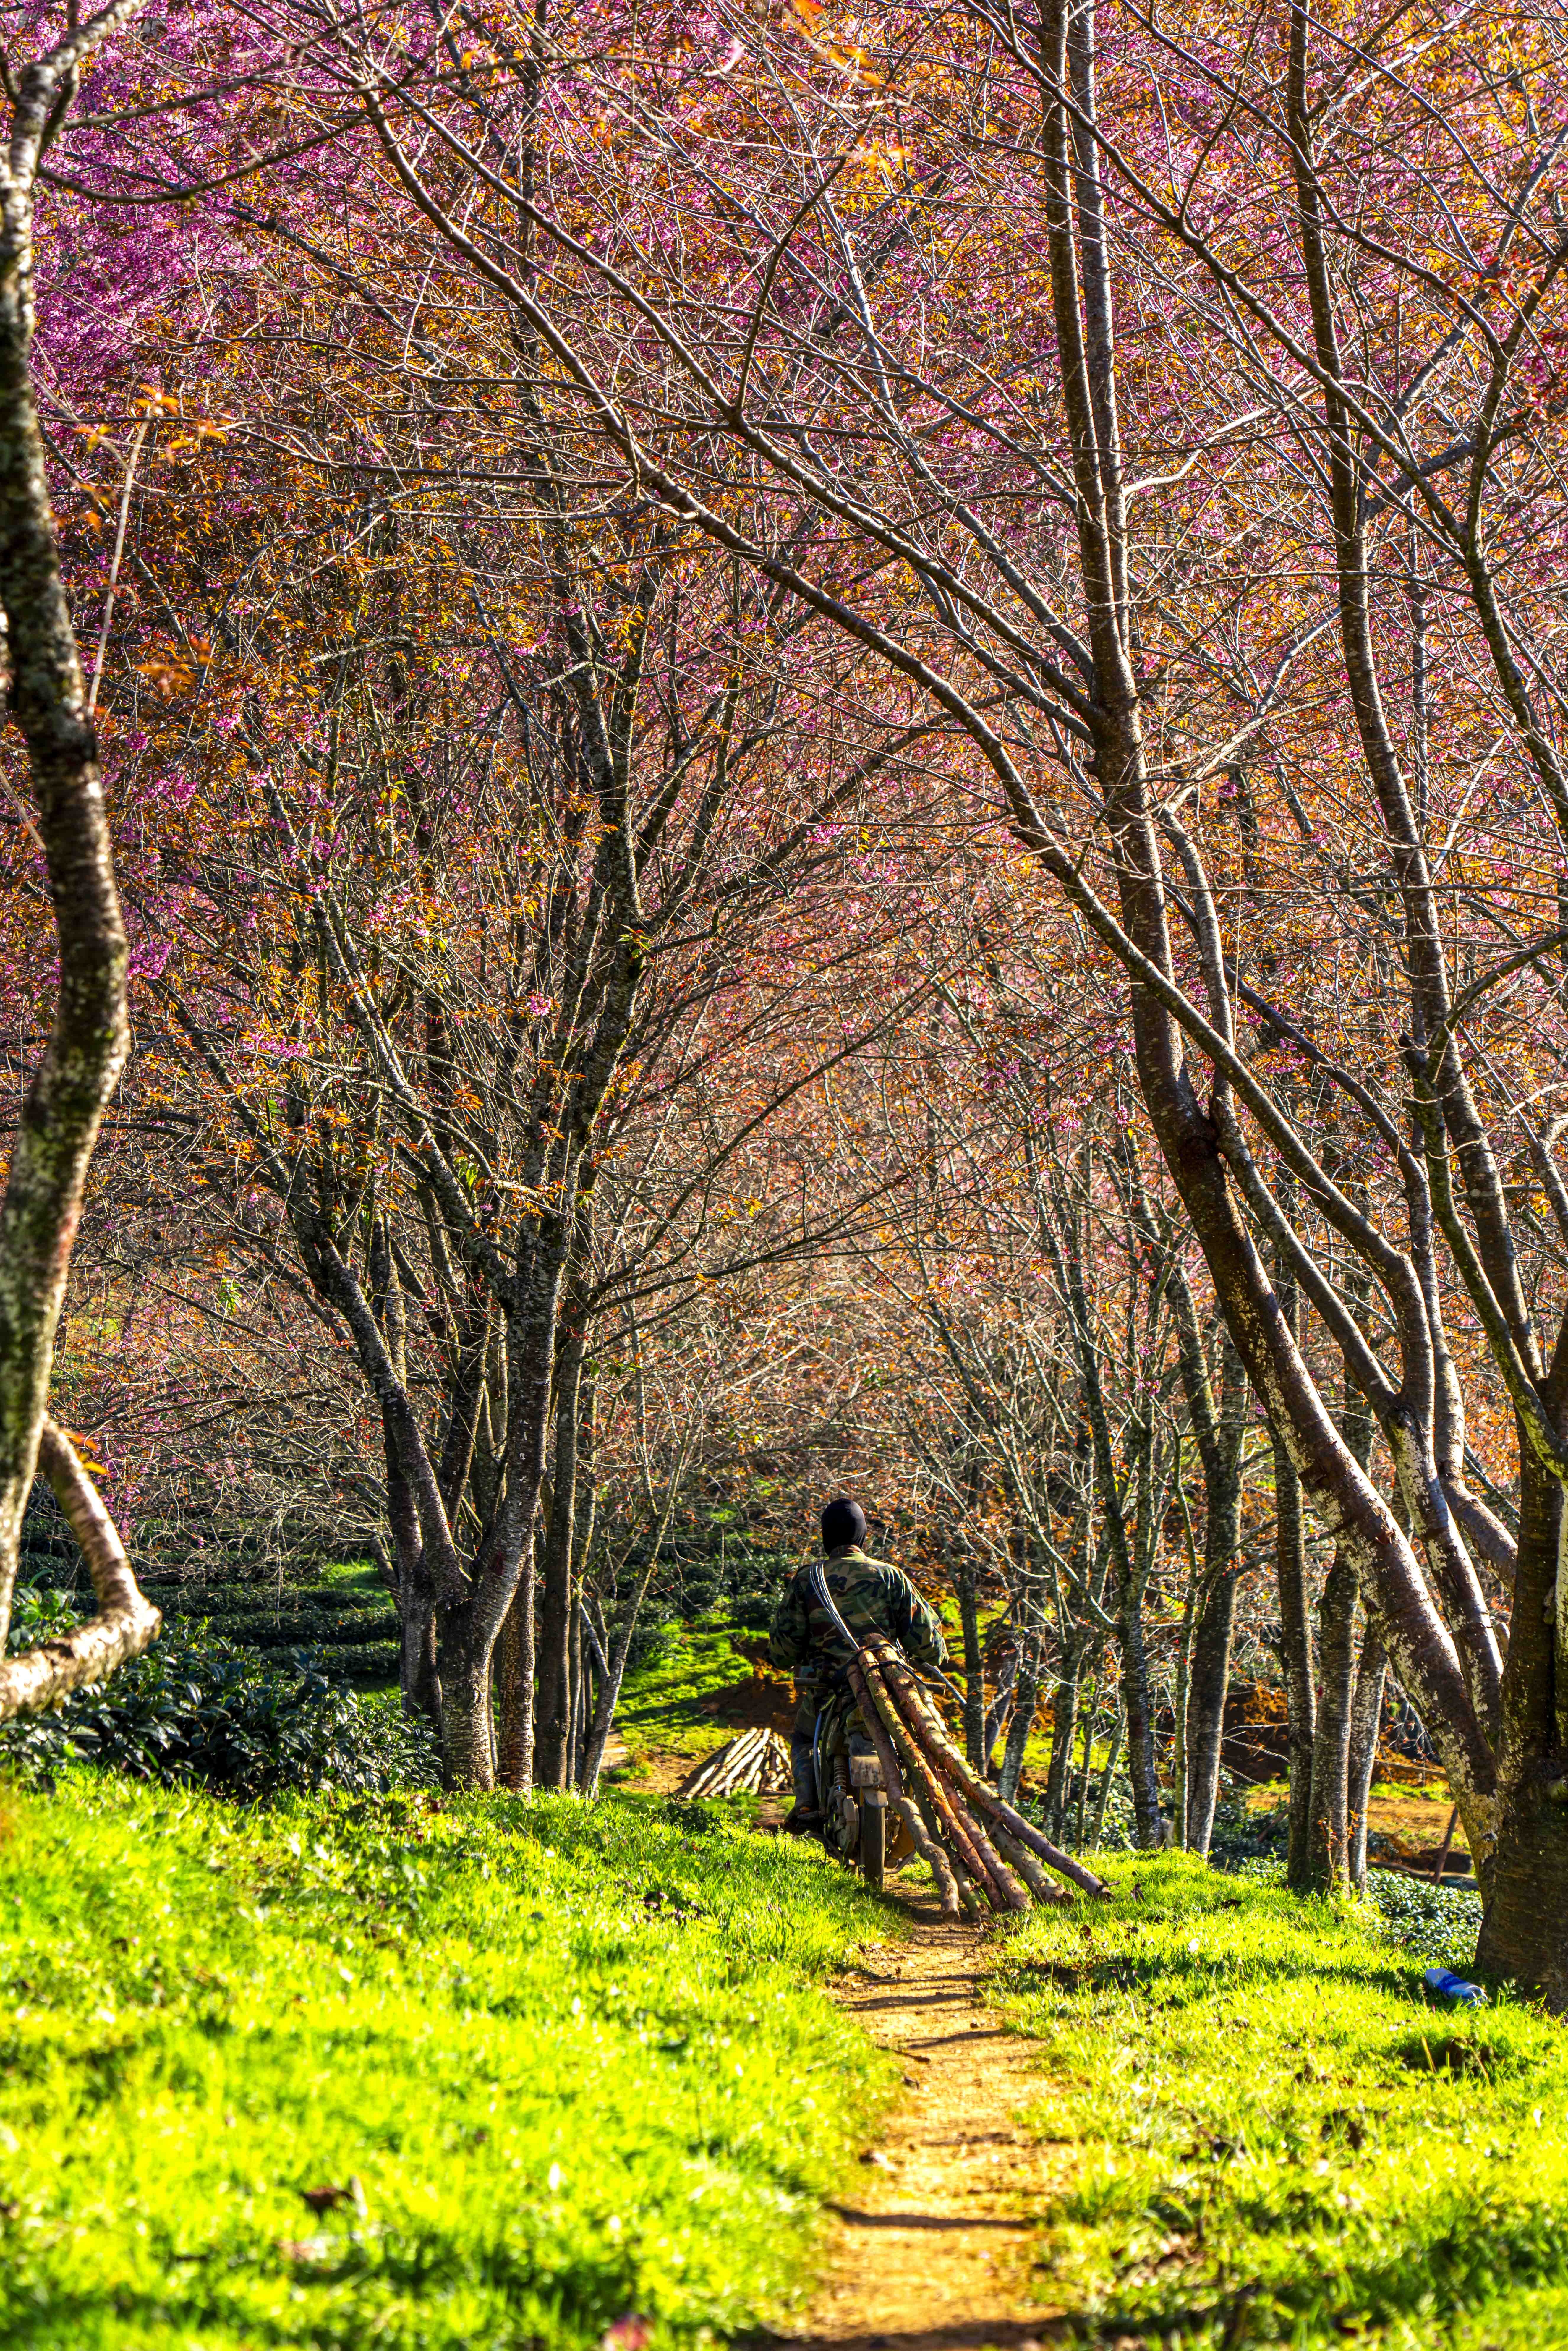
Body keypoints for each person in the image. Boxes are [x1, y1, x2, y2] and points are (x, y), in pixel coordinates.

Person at [768, 1495, 947, 1833]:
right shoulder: (891, 1576)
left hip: (829, 1692)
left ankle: (806, 1803)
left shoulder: (808, 1579)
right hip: (888, 1690)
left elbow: (782, 1653)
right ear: (863, 1535)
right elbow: (929, 1647)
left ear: (826, 1536)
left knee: (805, 1738)